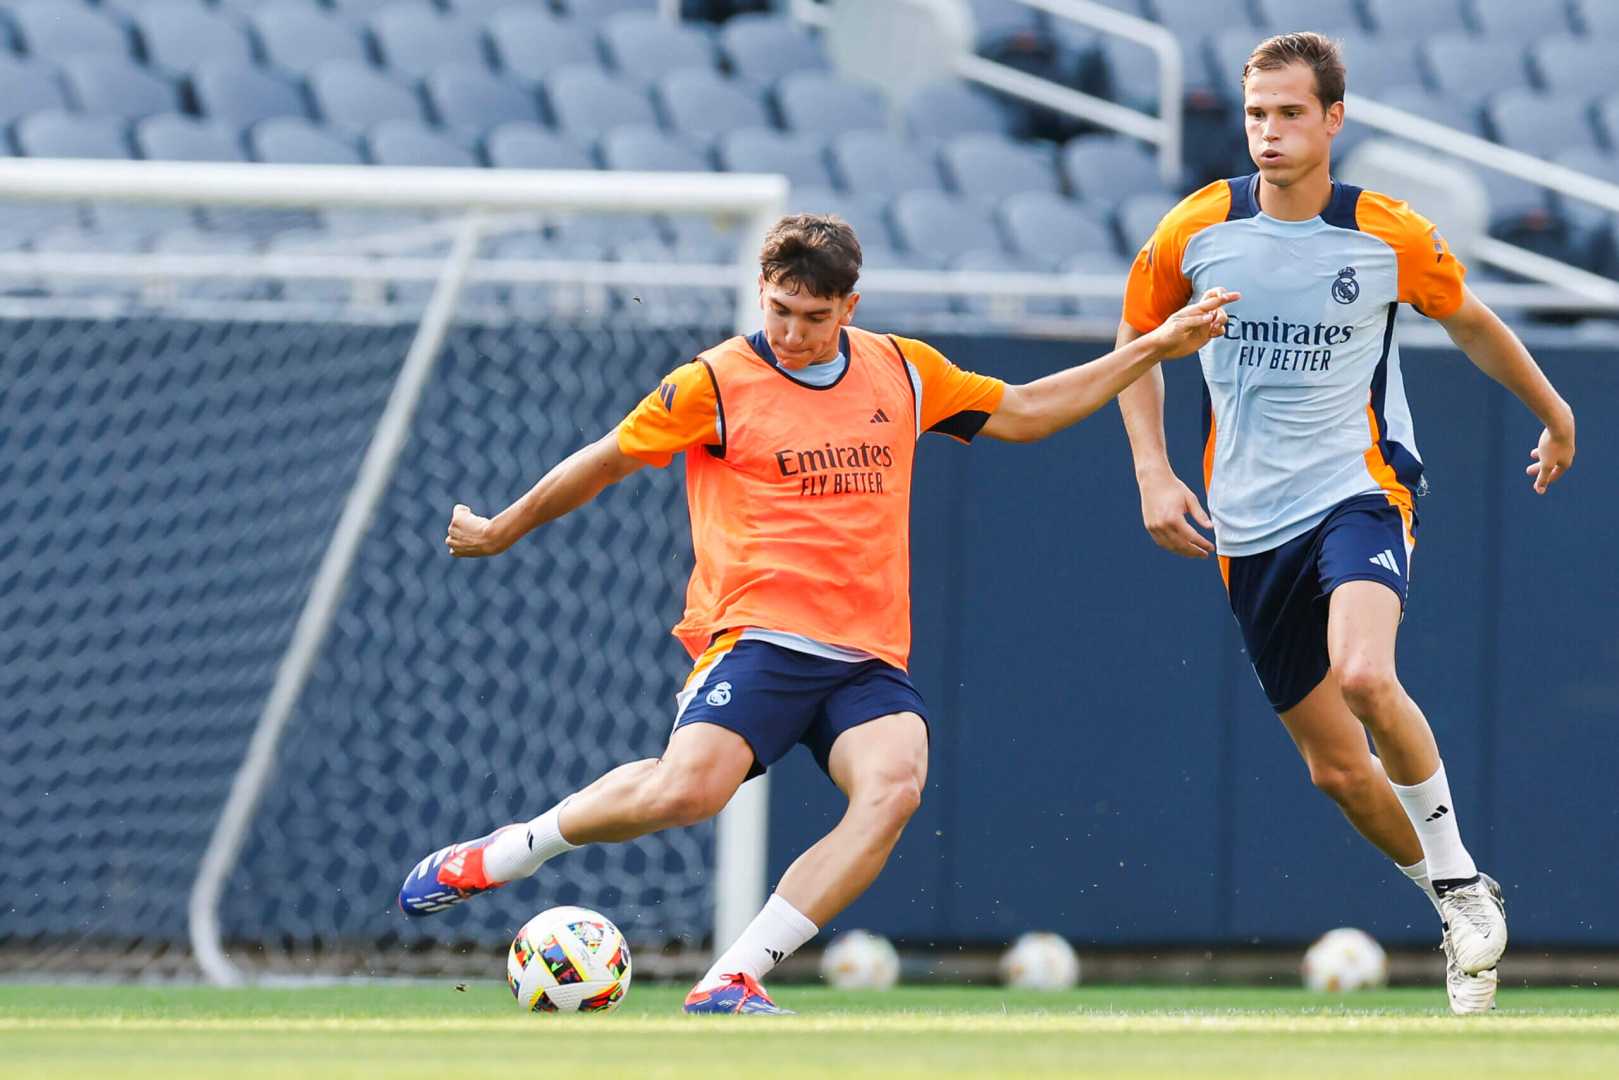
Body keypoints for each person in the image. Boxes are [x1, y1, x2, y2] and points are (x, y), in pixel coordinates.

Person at [399, 213, 1237, 1014]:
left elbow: (1025, 412)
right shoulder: (714, 381)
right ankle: (508, 851)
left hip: (868, 654)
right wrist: (504, 526)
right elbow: (605, 460)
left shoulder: (901, 369)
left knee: (894, 787)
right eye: (779, 311)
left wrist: (1158, 346)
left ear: (849, 307)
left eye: (813, 316)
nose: (793, 332)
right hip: (760, 634)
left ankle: (732, 978)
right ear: (760, 292)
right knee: (685, 793)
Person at [1114, 32, 1576, 1014]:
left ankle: (1452, 878)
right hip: (1244, 520)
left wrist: (1554, 411)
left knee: (1365, 673)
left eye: (1288, 113)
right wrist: (1153, 472)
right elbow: (1136, 342)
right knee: (1333, 771)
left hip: (1358, 486)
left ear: (1332, 118)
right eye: (1254, 115)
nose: (1268, 133)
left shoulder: (1386, 235)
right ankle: (1457, 897)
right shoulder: (1194, 230)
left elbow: (1469, 320)